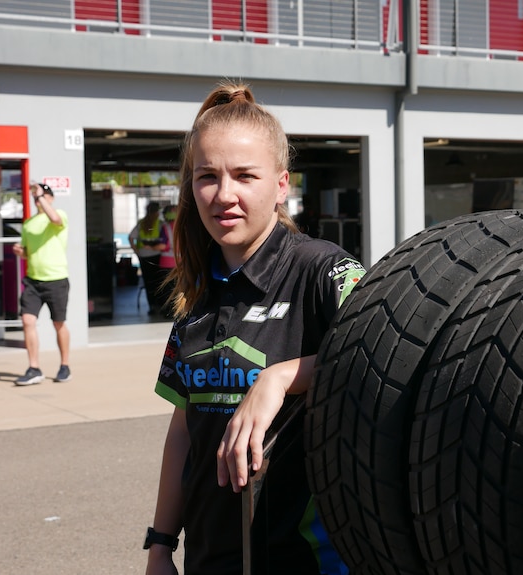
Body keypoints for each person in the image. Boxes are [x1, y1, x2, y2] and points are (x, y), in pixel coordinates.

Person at [145, 81, 365, 575]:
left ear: (282, 184)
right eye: (207, 177)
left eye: (245, 175)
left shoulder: (322, 270)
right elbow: (183, 431)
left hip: (305, 563)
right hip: (208, 559)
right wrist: (161, 545)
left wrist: (282, 377)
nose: (224, 195)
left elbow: (386, 348)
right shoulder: (196, 291)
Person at [13, 183, 71, 385]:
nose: (38, 200)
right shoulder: (28, 223)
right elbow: (28, 251)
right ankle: (34, 367)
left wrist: (40, 197)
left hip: (56, 279)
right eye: (37, 197)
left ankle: (65, 365)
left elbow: (54, 219)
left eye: (44, 196)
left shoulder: (59, 215)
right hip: (32, 280)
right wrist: (21, 252)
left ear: (50, 199)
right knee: (28, 321)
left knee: (58, 323)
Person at [129, 201, 166, 315]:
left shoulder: (141, 223)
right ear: (156, 212)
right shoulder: (160, 224)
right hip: (157, 255)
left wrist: (136, 251)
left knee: (148, 282)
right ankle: (160, 305)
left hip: (143, 256)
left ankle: (152, 307)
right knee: (159, 282)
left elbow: (131, 237)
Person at [157, 204, 177, 317]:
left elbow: (163, 246)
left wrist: (150, 247)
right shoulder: (186, 226)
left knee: (167, 290)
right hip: (182, 263)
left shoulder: (166, 228)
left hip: (166, 262)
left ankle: (168, 312)